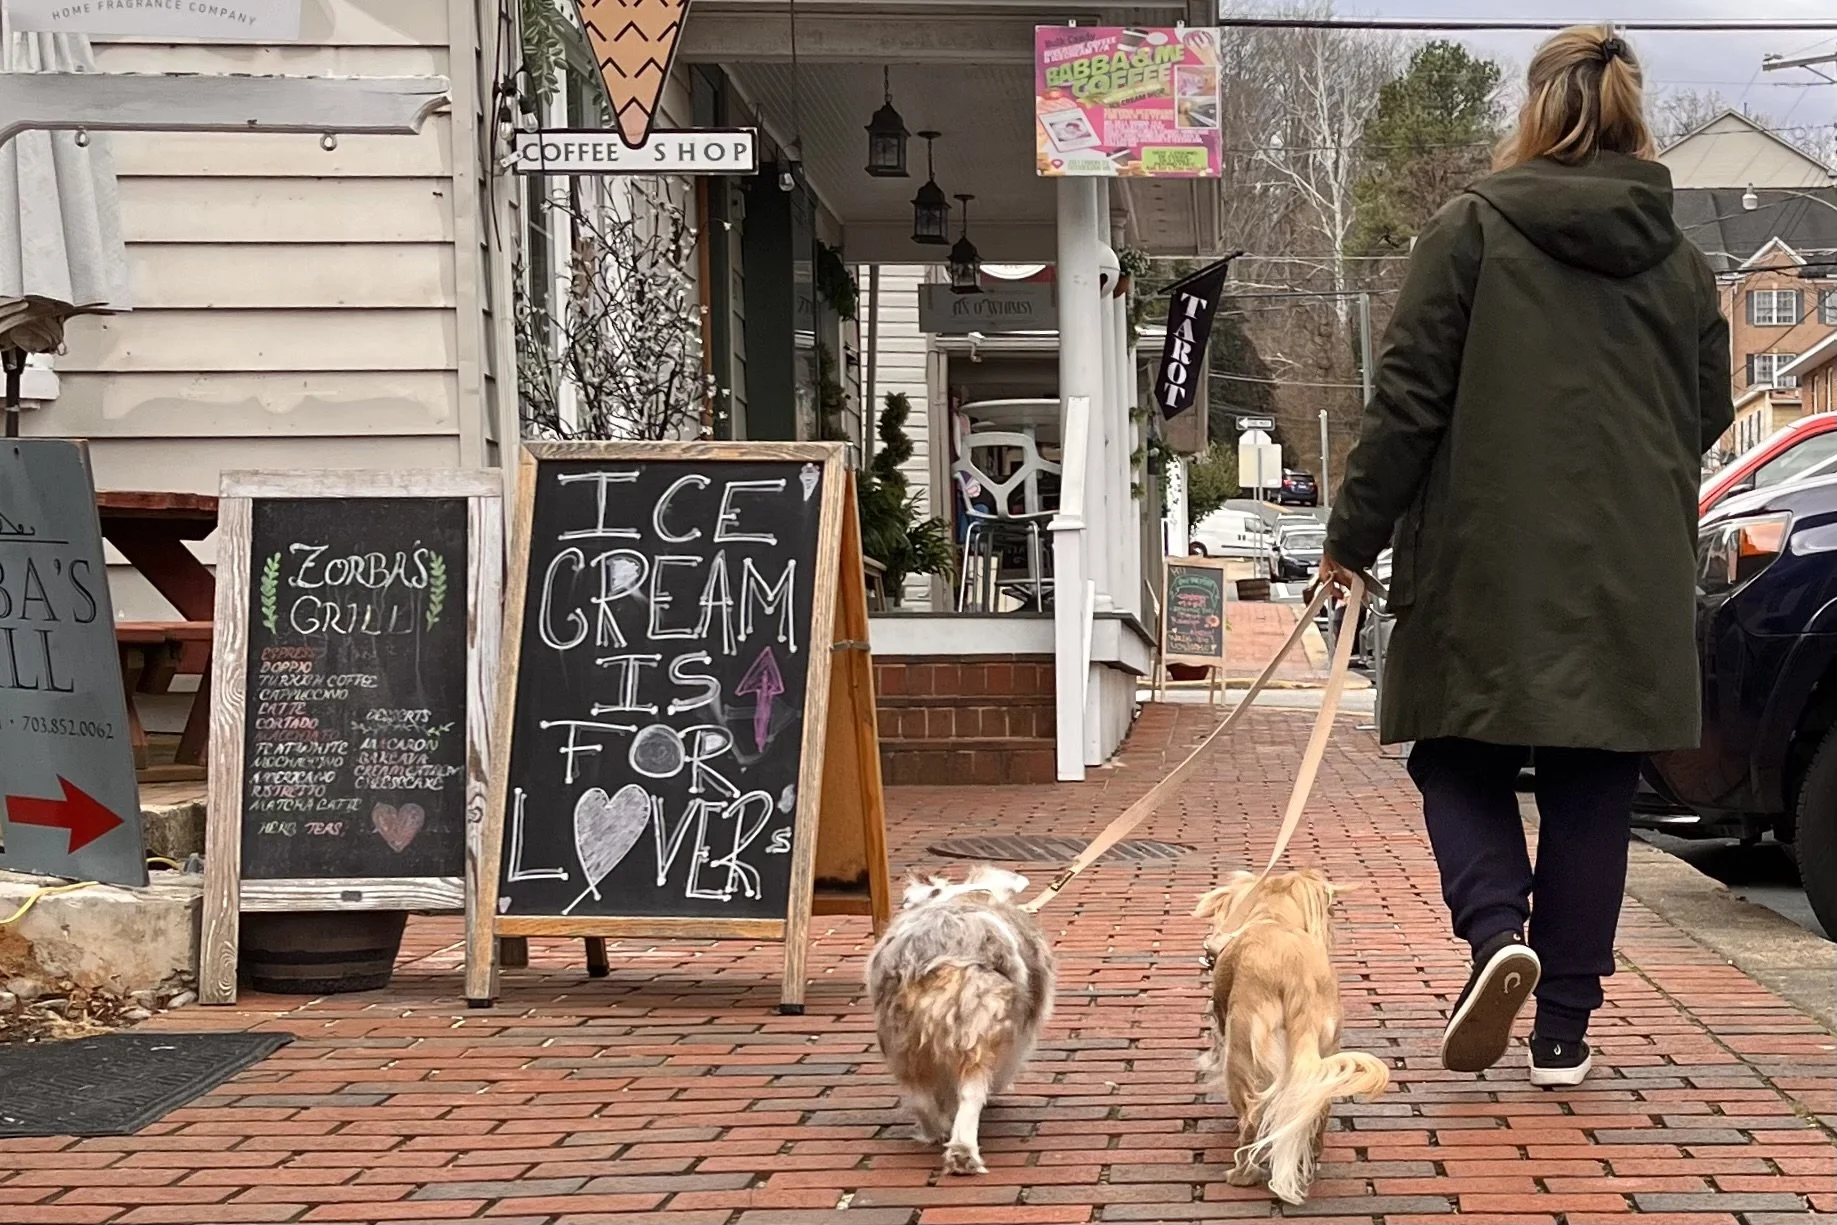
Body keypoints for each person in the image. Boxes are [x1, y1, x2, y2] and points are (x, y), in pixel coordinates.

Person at [1320, 25, 1733, 1088]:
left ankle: (1498, 926)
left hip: (1483, 556)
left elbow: (1406, 401)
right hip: (1628, 569)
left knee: (1453, 752)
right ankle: (1562, 1030)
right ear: (1633, 113)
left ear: (1536, 110)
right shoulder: (1684, 263)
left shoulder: (1471, 231)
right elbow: (1707, 416)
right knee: (1593, 782)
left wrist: (1351, 539)